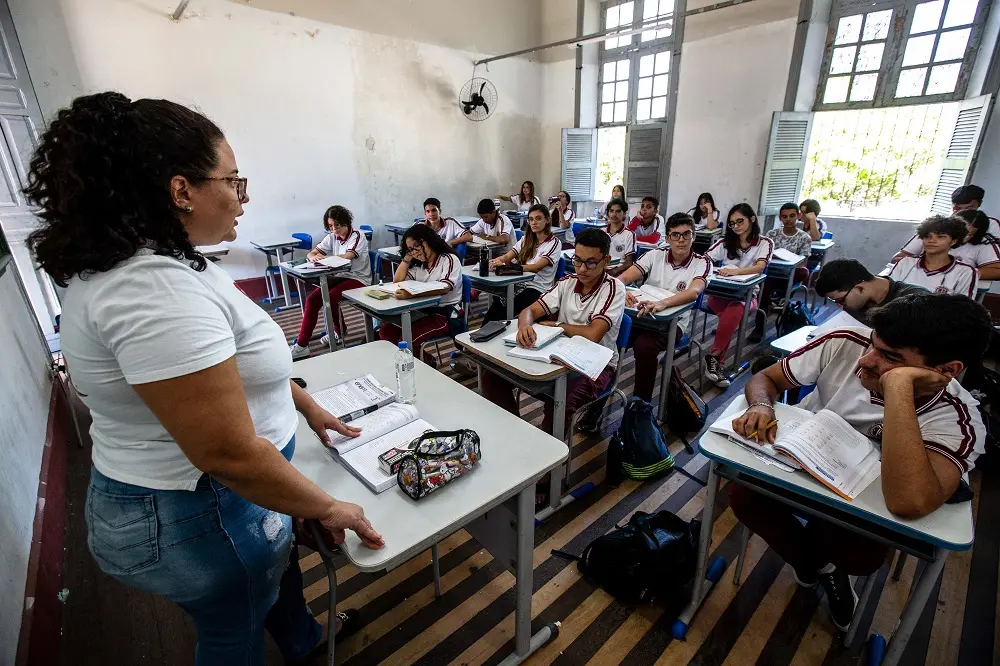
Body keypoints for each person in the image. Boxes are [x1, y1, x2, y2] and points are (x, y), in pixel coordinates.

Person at [28, 92, 383, 665]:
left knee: (270, 584)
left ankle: (302, 640)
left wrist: (303, 403)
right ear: (181, 190)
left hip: (220, 499)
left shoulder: (170, 262)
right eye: (234, 181)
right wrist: (324, 505)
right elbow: (227, 453)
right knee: (233, 632)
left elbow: (233, 369)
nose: (245, 197)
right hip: (200, 510)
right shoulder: (151, 289)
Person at [730, 293, 990, 631]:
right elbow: (767, 378)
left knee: (859, 556)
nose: (866, 361)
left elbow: (908, 501)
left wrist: (897, 387)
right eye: (872, 344)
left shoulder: (958, 418)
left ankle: (819, 564)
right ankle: (817, 568)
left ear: (946, 371)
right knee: (745, 497)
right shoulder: (845, 343)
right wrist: (761, 405)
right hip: (799, 467)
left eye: (891, 357)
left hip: (861, 503)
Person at [481, 227, 625, 438]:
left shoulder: (613, 288)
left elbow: (594, 334)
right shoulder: (567, 282)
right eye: (577, 260)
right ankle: (515, 435)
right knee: (491, 377)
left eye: (591, 263)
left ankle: (548, 455)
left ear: (606, 261)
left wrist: (559, 326)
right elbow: (529, 310)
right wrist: (525, 326)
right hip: (558, 355)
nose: (582, 269)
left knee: (560, 401)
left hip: (596, 365)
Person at [618, 213, 711, 401]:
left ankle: (640, 403)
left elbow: (694, 292)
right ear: (668, 238)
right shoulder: (655, 255)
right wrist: (622, 290)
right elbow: (624, 277)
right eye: (675, 235)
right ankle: (598, 399)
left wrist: (662, 304)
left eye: (686, 234)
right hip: (642, 316)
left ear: (693, 236)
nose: (681, 240)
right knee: (612, 337)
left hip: (673, 323)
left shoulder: (702, 262)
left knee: (644, 345)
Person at [703, 203, 774, 387]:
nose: (736, 226)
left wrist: (736, 272)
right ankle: (716, 363)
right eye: (732, 223)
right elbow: (704, 260)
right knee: (731, 316)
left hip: (748, 296)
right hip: (719, 294)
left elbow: (760, 267)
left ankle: (714, 357)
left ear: (752, 219)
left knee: (734, 310)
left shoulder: (765, 242)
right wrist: (716, 270)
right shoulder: (725, 242)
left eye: (740, 221)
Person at [289, 205, 371, 359]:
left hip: (358, 278)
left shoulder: (357, 235)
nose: (334, 229)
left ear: (346, 222)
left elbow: (347, 257)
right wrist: (313, 257)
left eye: (337, 225)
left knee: (330, 298)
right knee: (312, 300)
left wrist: (324, 258)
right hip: (340, 276)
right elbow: (312, 253)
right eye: (330, 226)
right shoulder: (332, 236)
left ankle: (339, 331)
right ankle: (302, 345)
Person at [379, 224, 464, 359]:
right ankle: (426, 361)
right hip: (422, 312)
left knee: (406, 340)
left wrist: (412, 294)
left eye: (416, 246)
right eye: (410, 249)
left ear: (428, 241)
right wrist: (407, 258)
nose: (415, 252)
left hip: (445, 314)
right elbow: (398, 281)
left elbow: (445, 287)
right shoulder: (419, 265)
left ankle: (424, 364)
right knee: (386, 332)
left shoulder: (448, 259)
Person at [483, 204, 561, 323]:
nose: (534, 222)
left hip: (537, 288)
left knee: (505, 304)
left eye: (538, 218)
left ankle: (497, 327)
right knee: (499, 300)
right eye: (531, 219)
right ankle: (487, 329)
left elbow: (536, 267)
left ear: (547, 220)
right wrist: (494, 262)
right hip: (520, 283)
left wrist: (509, 267)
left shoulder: (554, 243)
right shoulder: (526, 239)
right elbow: (507, 256)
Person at [749, 202, 813, 342]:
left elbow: (803, 262)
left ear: (798, 216)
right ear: (780, 218)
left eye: (792, 216)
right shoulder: (772, 234)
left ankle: (782, 296)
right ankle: (759, 326)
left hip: (791, 273)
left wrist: (790, 261)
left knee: (804, 271)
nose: (788, 219)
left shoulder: (804, 237)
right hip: (772, 272)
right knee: (763, 287)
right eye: (784, 216)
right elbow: (762, 255)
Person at [815, 258, 928, 325]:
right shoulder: (855, 304)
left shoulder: (915, 301)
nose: (840, 305)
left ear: (859, 287)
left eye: (841, 300)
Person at [887, 215, 978, 298]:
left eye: (940, 237)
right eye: (927, 236)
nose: (932, 240)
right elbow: (887, 293)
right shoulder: (905, 263)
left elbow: (964, 306)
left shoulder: (965, 272)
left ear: (953, 241)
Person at [893, 210, 1000, 279]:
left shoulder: (983, 244)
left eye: (968, 234)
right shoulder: (929, 233)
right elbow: (897, 259)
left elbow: (996, 271)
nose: (932, 240)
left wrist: (959, 272)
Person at [604, 198, 636, 276]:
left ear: (624, 214)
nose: (614, 214)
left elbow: (629, 263)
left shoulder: (629, 234)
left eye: (618, 211)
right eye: (611, 211)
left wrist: (614, 271)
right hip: (602, 269)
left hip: (619, 271)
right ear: (608, 213)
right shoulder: (601, 232)